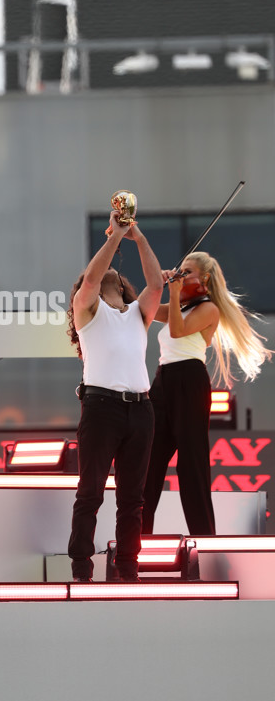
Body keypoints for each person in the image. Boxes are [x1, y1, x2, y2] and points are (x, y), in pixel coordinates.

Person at [142, 252, 273, 536]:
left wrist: (173, 293)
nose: (181, 275)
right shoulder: (179, 305)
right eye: (180, 270)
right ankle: (136, 541)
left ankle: (203, 539)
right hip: (163, 380)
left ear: (204, 278)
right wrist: (157, 283)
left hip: (189, 379)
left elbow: (177, 332)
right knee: (149, 464)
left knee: (192, 465)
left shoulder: (208, 309)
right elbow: (145, 309)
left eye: (187, 271)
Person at [66, 211, 163, 582]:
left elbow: (156, 285)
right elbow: (92, 278)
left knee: (133, 497)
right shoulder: (88, 311)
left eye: (116, 274)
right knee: (90, 492)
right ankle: (81, 566)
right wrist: (115, 236)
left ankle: (127, 567)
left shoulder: (138, 314)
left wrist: (137, 236)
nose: (110, 273)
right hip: (101, 407)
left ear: (123, 288)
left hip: (141, 409)